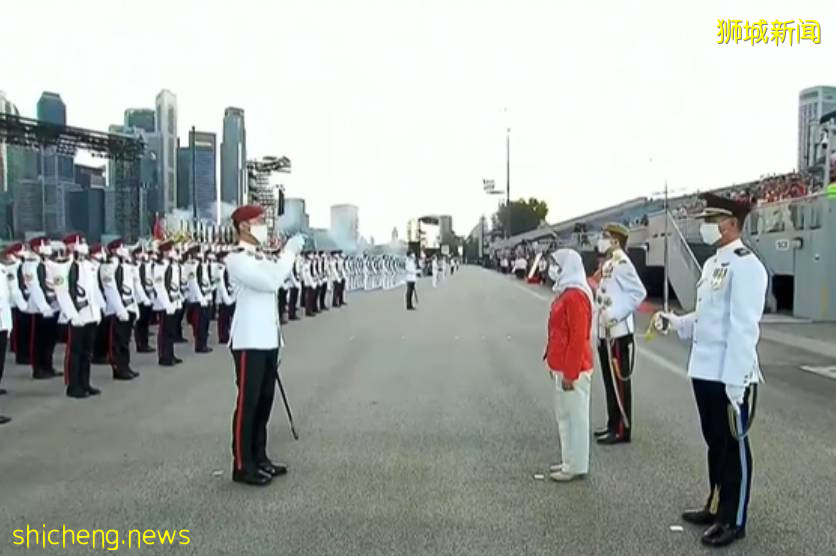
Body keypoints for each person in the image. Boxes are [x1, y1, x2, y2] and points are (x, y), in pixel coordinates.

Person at [656, 194, 766, 548]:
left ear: (731, 224)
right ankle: (716, 504)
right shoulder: (713, 264)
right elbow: (708, 317)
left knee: (734, 448)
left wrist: (737, 380)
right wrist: (676, 322)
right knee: (715, 443)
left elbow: (743, 327)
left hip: (729, 373)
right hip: (705, 370)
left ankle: (734, 519)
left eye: (712, 219)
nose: (705, 226)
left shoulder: (746, 266)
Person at [225, 204, 305, 486]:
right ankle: (242, 464)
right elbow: (272, 281)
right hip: (249, 341)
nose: (263, 225)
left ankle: (260, 457)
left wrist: (284, 255)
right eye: (259, 220)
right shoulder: (236, 259)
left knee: (264, 402)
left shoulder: (259, 256)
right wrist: (290, 252)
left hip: (267, 339)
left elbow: (276, 277)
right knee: (248, 404)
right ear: (244, 226)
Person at [543, 249, 594, 481]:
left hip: (573, 367)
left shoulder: (575, 296)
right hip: (561, 364)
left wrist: (570, 373)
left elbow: (577, 337)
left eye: (556, 264)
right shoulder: (565, 292)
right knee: (564, 416)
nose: (552, 269)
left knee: (576, 417)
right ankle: (568, 461)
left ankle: (576, 465)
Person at [594, 223, 646, 445]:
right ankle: (612, 423)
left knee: (619, 382)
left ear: (616, 240)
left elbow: (638, 293)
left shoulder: (623, 263)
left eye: (606, 237)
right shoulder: (610, 263)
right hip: (606, 331)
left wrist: (615, 315)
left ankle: (622, 428)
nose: (602, 240)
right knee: (609, 380)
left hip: (618, 331)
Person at [101, 239, 139, 380]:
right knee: (117, 341)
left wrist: (134, 307)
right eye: (122, 247)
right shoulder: (109, 267)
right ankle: (118, 368)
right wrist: (120, 309)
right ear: (114, 250)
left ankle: (125, 366)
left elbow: (131, 289)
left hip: (128, 306)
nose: (125, 250)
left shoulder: (125, 266)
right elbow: (111, 290)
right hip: (117, 310)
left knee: (125, 340)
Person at [153, 241, 181, 367]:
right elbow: (160, 287)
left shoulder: (172, 265)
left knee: (171, 330)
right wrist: (167, 304)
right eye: (171, 250)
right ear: (165, 252)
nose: (173, 252)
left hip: (173, 301)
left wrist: (177, 301)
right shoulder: (159, 267)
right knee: (164, 330)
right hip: (165, 304)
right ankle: (164, 356)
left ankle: (170, 354)